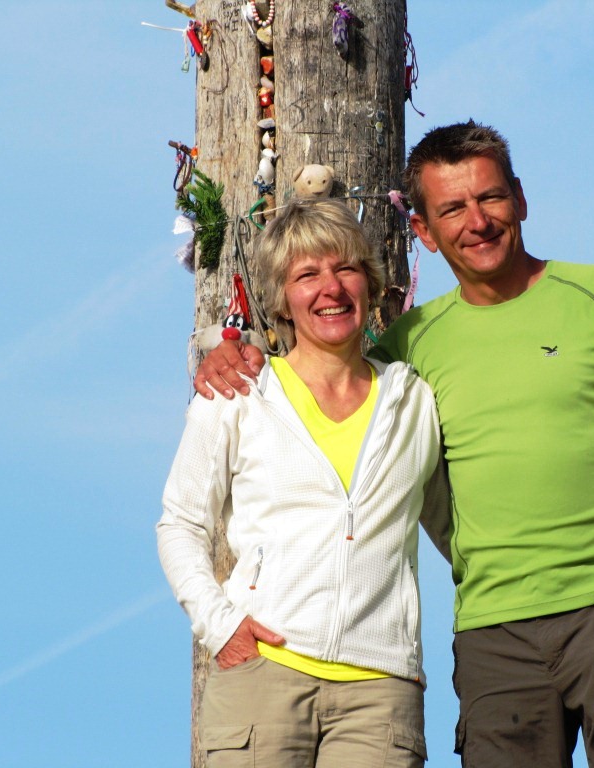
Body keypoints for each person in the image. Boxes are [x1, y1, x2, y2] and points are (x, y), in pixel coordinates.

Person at [195, 121, 594, 768]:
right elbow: (321, 374)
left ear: (520, 199)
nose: (477, 221)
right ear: (425, 232)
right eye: (453, 208)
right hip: (494, 637)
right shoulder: (409, 348)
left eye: (490, 197)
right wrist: (235, 353)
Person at [158, 199, 450, 768]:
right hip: (263, 676)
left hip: (380, 692)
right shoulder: (240, 392)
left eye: (346, 268)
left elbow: (452, 524)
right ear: (282, 299)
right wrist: (222, 627)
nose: (330, 289)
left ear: (370, 283)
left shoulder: (415, 398)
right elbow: (181, 523)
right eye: (307, 275)